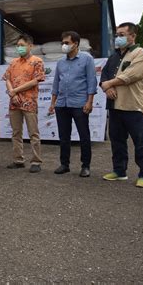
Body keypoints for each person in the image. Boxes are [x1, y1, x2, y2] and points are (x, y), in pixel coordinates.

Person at [100, 22, 143, 188]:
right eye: (116, 34)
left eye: (122, 35)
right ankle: (119, 171)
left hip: (134, 106)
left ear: (132, 36)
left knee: (141, 142)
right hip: (115, 105)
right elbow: (104, 77)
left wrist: (110, 83)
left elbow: (132, 75)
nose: (118, 38)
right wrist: (106, 88)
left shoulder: (141, 53)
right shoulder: (113, 57)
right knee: (117, 141)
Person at [48, 31, 97, 177]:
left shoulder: (87, 59)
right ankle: (64, 164)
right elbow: (56, 83)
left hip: (79, 104)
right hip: (62, 104)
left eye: (66, 43)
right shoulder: (60, 62)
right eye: (62, 43)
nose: (64, 45)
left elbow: (91, 82)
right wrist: (52, 103)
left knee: (84, 136)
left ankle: (85, 166)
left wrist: (90, 102)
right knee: (64, 137)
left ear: (75, 43)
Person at [3, 34, 45, 173]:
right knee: (16, 133)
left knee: (33, 133)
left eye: (22, 45)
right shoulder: (14, 62)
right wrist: (12, 93)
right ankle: (18, 160)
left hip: (29, 102)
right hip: (14, 103)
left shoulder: (37, 61)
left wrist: (15, 91)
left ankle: (36, 161)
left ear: (30, 46)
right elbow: (7, 78)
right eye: (18, 45)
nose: (19, 48)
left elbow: (35, 81)